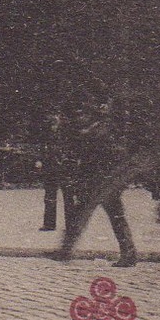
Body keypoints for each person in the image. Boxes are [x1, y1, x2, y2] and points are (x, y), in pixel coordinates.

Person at [56, 98, 138, 268]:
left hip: (100, 182)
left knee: (83, 214)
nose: (79, 118)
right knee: (113, 216)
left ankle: (65, 250)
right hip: (100, 182)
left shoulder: (99, 129)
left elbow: (89, 147)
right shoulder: (96, 128)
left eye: (81, 115)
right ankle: (129, 253)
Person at [37, 110, 77, 233]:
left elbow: (72, 151)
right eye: (52, 124)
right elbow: (43, 149)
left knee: (68, 197)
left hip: (64, 168)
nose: (54, 127)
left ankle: (71, 225)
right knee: (50, 197)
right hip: (51, 167)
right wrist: (40, 160)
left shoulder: (67, 136)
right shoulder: (47, 136)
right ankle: (49, 224)